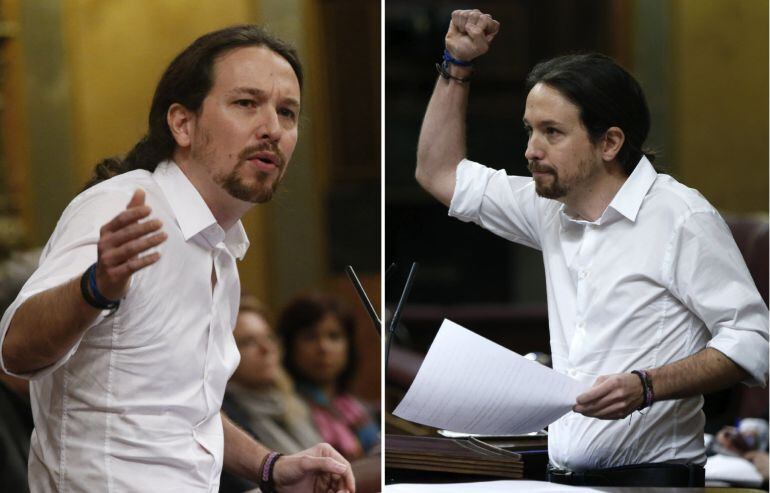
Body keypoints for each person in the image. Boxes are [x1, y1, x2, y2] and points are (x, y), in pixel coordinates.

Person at [414, 9, 768, 487]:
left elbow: (755, 341)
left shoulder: (681, 216)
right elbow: (438, 173)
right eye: (529, 130)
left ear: (609, 142)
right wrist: (456, 64)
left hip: (655, 480)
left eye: (552, 133)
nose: (530, 149)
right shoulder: (549, 206)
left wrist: (647, 386)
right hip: (565, 477)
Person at [0, 25, 354, 492]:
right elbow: (16, 352)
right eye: (247, 103)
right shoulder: (124, 207)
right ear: (182, 124)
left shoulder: (220, 245)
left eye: (287, 112)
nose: (272, 128)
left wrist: (272, 466)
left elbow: (187, 412)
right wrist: (95, 287)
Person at [277, 293, 380, 462]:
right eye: (310, 337)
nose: (323, 347)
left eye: (334, 336)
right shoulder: (283, 409)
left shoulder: (360, 410)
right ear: (289, 345)